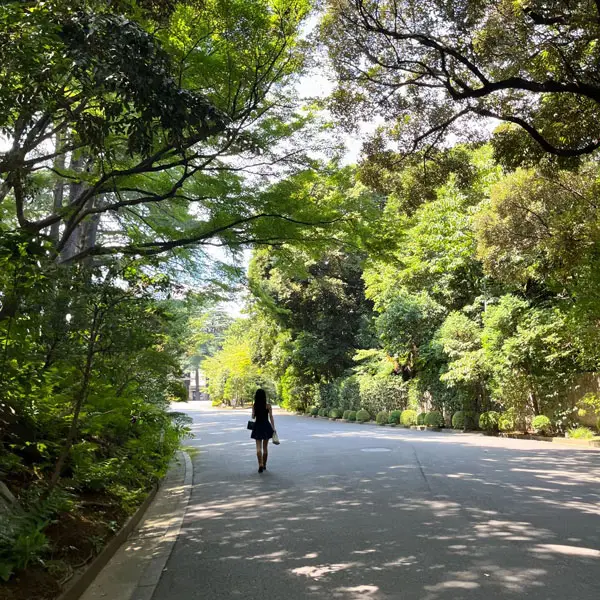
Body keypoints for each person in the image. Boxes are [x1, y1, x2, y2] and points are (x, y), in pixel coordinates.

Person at [251, 388, 275, 473]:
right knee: (265, 448)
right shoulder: (268, 406)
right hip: (266, 427)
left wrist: (253, 412)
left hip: (257, 426)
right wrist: (273, 427)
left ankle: (260, 464)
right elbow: (271, 417)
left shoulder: (254, 405)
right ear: (264, 396)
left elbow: (253, 417)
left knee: (258, 448)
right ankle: (264, 465)